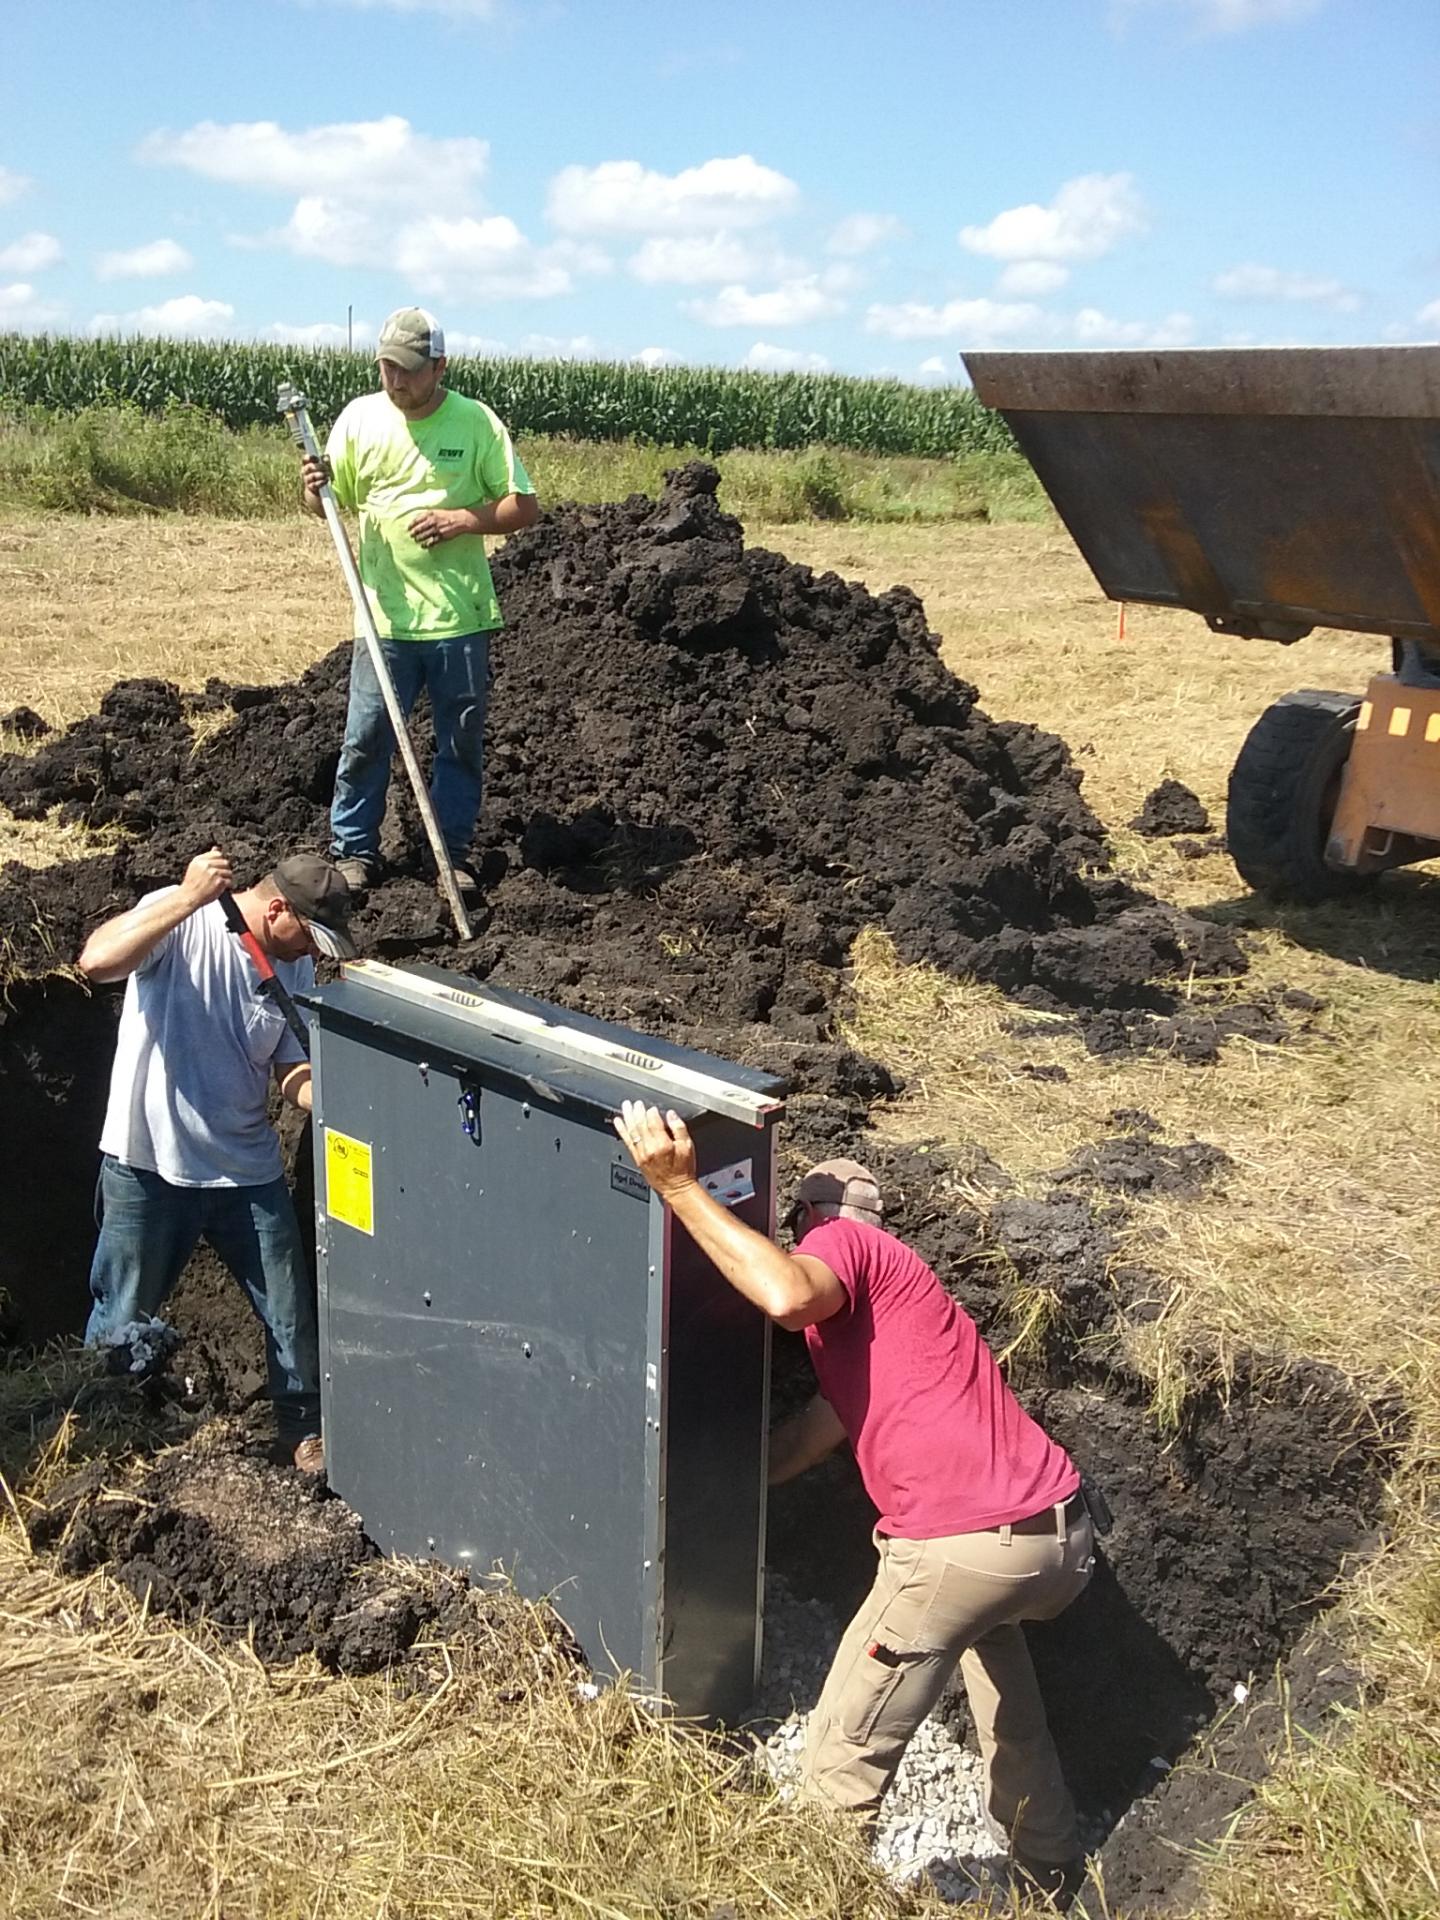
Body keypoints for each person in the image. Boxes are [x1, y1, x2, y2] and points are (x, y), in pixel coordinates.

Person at [613, 1106, 1095, 1908]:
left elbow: (785, 1294)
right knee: (1006, 1701)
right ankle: (1049, 1873)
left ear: (810, 1221)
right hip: (1053, 1540)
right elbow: (805, 1442)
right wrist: (702, 1484)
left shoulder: (846, 1243)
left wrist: (678, 1186)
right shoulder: (897, 1327)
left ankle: (802, 1890)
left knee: (846, 1749)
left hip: (960, 1542)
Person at [78, 849, 358, 1473]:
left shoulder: (293, 968)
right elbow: (96, 961)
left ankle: (302, 1431)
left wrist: (340, 1102)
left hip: (245, 1170)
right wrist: (184, 896)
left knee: (289, 1308)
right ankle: (100, 1432)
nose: (313, 954)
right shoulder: (184, 922)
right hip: (150, 1163)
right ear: (278, 908)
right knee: (123, 1311)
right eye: (310, 938)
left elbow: (289, 1070)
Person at [300, 305, 540, 906]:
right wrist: (313, 492)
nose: (396, 380)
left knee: (459, 742)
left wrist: (465, 519)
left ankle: (451, 856)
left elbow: (524, 506)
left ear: (439, 367)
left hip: (459, 619)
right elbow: (336, 499)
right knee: (366, 737)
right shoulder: (359, 419)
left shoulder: (476, 424)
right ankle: (354, 851)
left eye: (407, 369)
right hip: (383, 618)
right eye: (386, 368)